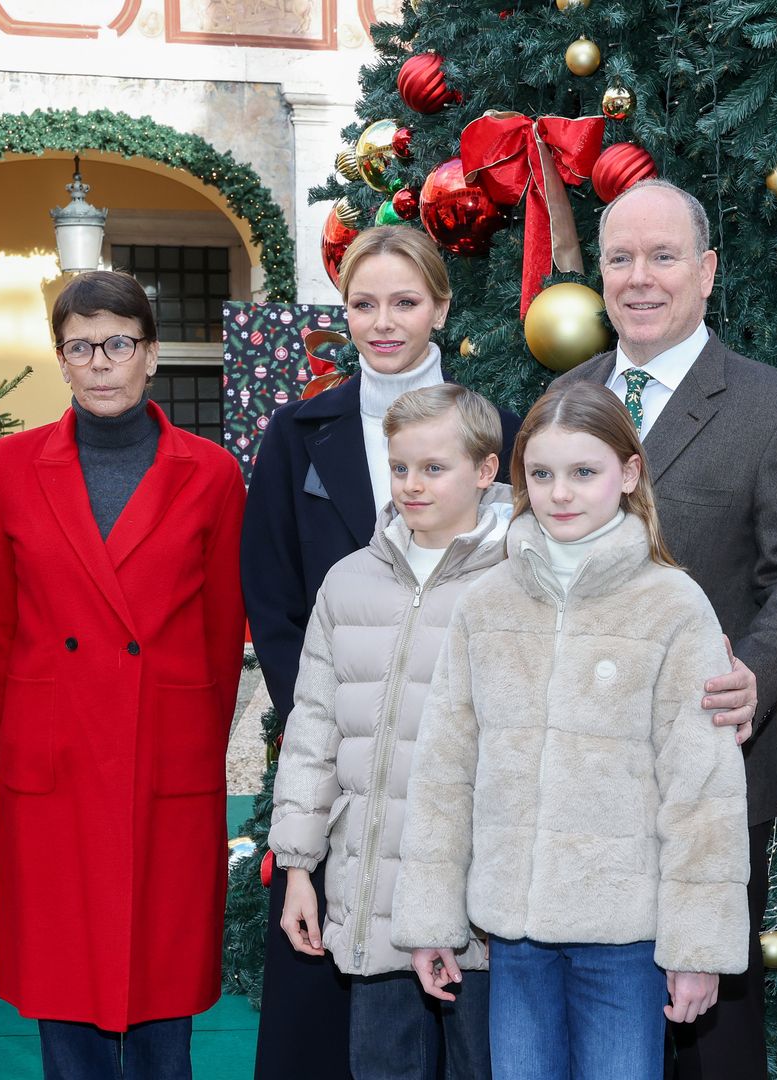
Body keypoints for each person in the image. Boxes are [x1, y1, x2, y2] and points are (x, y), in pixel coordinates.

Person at [392, 382, 750, 1080]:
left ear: (628, 473)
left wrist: (697, 946)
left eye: (584, 472)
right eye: (543, 473)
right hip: (515, 938)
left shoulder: (674, 606)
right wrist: (431, 917)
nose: (561, 493)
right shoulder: (485, 603)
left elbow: (702, 792)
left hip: (626, 939)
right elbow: (443, 771)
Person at [242, 225, 519, 1080]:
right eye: (364, 304)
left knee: (474, 1028)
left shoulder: (499, 427)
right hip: (348, 755)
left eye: (405, 301)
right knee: (354, 1018)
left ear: (441, 305)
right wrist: (322, 721)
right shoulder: (299, 431)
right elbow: (274, 594)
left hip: (470, 783)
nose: (384, 322)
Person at [0, 270, 245, 1080]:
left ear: (151, 355)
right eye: (81, 346)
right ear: (61, 358)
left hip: (164, 753)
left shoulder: (213, 473)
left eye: (118, 344)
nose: (100, 362)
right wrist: (6, 767)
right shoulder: (9, 468)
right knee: (65, 984)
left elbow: (222, 630)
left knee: (161, 982)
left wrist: (196, 747)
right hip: (49, 763)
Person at [553, 178, 777, 1079]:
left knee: (712, 1042)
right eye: (619, 258)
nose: (639, 278)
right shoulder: (569, 398)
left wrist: (757, 677)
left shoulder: (769, 407)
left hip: (710, 772)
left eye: (663, 256)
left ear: (708, 270)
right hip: (577, 779)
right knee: (597, 1029)